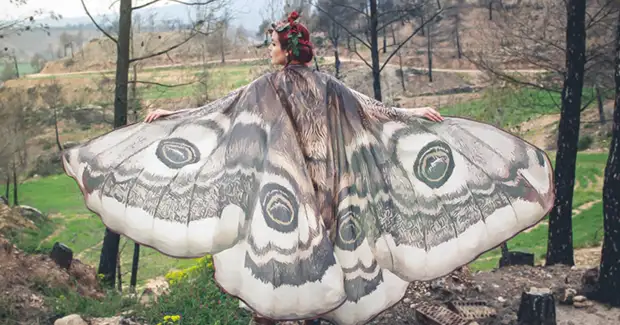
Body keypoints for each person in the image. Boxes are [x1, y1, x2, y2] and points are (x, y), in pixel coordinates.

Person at [62, 11, 555, 325]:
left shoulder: (268, 88)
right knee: (339, 242)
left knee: (295, 251)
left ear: (287, 49)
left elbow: (223, 111)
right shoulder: (323, 84)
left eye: (272, 43)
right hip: (328, 185)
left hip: (301, 188)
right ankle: (311, 308)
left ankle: (298, 307)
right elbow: (370, 106)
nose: (267, 49)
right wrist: (175, 116)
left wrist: (412, 115)